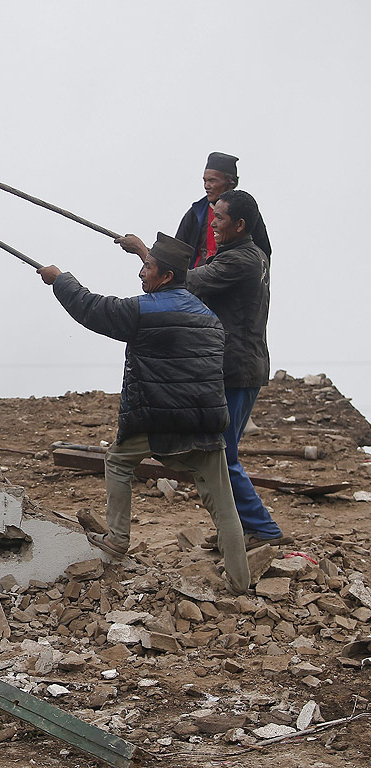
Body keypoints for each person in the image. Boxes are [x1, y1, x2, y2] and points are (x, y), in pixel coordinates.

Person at [37, 233, 250, 594]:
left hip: (158, 420)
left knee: (118, 460)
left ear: (165, 276)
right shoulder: (209, 318)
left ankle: (118, 538)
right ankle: (241, 583)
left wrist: (60, 280)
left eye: (147, 268)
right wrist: (140, 250)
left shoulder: (141, 311)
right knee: (224, 505)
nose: (141, 274)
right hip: (207, 425)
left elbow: (93, 309)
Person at [118, 191, 292, 551]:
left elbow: (189, 281)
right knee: (220, 453)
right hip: (240, 365)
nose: (212, 224)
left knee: (222, 454)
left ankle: (263, 529)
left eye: (220, 219)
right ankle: (243, 529)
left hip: (236, 369)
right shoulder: (247, 254)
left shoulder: (241, 260)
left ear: (240, 225)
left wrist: (144, 253)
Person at [175, 152, 271, 268]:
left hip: (231, 279)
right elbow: (177, 251)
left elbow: (263, 252)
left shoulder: (247, 212)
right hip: (196, 280)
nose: (206, 186)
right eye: (205, 181)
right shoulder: (196, 213)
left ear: (231, 183)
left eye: (212, 181)